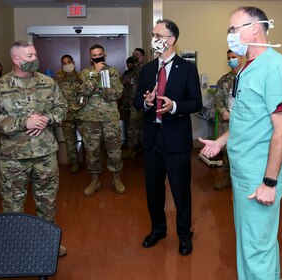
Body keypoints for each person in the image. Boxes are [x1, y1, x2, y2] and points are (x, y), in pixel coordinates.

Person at [199, 6, 282, 279]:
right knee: (255, 244)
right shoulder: (247, 68)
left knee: (256, 248)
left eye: (233, 29)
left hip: (260, 175)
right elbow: (248, 118)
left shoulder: (275, 69)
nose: (229, 36)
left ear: (255, 28)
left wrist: (269, 182)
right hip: (246, 169)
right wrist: (221, 141)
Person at [0, 40, 68, 257]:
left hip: (45, 154)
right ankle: (16, 247)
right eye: (30, 56)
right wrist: (23, 122)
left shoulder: (49, 83)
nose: (35, 59)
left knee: (47, 202)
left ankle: (48, 243)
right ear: (16, 60)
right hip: (13, 157)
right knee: (12, 204)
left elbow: (62, 107)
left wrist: (47, 119)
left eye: (35, 54)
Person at [134, 19, 202, 256]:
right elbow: (136, 101)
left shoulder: (187, 69)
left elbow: (196, 102)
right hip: (152, 140)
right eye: (152, 34)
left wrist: (174, 105)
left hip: (177, 140)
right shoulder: (148, 69)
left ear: (171, 39)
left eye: (157, 35)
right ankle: (158, 230)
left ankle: (184, 235)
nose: (153, 39)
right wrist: (146, 102)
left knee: (180, 191)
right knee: (153, 190)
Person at [78, 44, 125, 197]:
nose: (97, 56)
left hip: (109, 117)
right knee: (92, 151)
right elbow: (84, 91)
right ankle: (94, 180)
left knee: (114, 150)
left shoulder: (112, 72)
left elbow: (117, 93)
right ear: (90, 58)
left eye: (100, 54)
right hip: (89, 118)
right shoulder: (85, 73)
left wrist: (98, 90)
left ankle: (116, 179)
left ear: (105, 54)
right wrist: (95, 75)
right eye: (94, 55)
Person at [212, 50, 243, 190]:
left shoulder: (248, 75)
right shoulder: (224, 80)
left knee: (243, 150)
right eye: (229, 58)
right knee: (226, 150)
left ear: (241, 58)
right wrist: (222, 111)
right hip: (227, 121)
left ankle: (242, 181)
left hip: (245, 121)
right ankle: (227, 178)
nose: (231, 60)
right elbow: (217, 98)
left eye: (234, 57)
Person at [56, 54, 83, 174]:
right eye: (64, 63)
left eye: (69, 62)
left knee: (89, 140)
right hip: (67, 115)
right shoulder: (59, 81)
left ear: (73, 62)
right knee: (69, 141)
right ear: (62, 66)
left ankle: (91, 162)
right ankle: (74, 162)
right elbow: (56, 99)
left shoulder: (82, 78)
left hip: (82, 114)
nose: (67, 65)